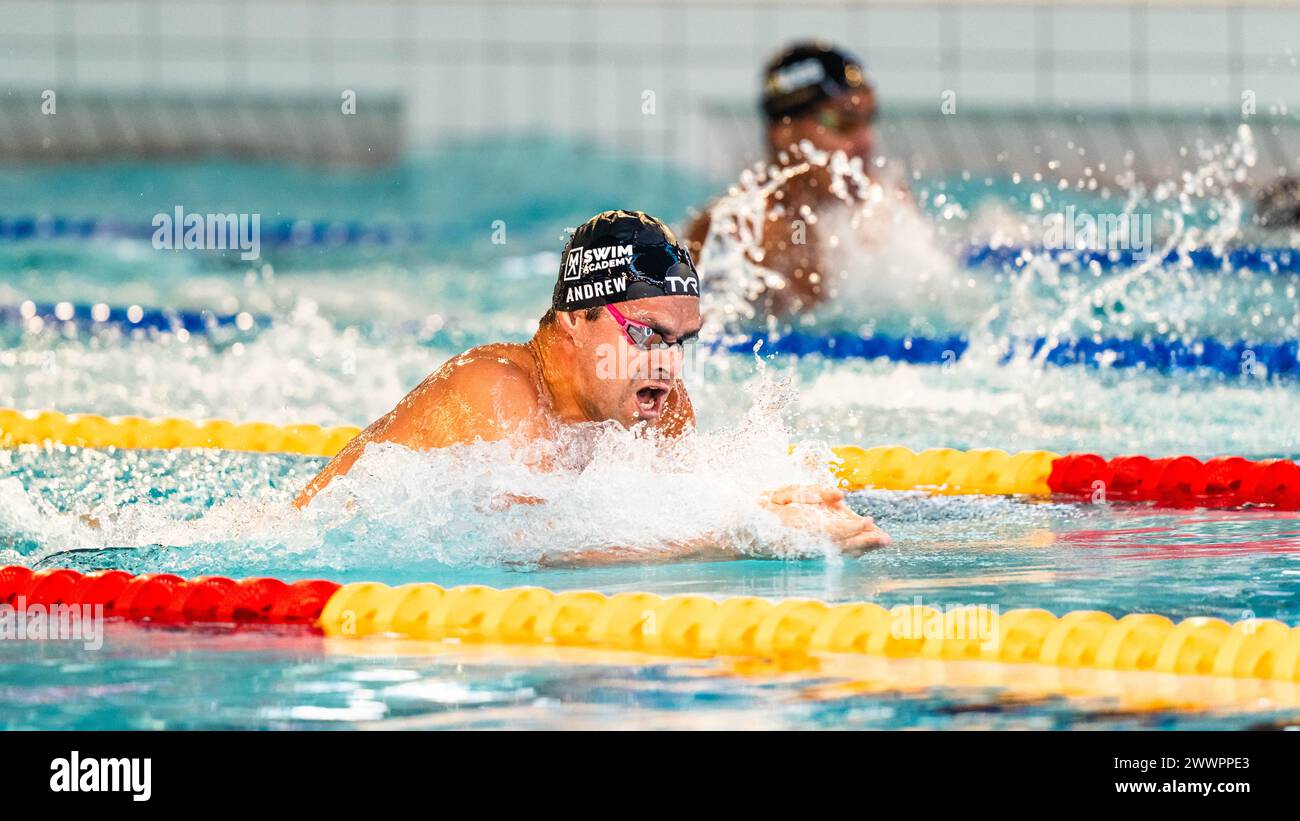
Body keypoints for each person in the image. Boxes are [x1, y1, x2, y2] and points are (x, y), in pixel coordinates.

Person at [295, 210, 889, 562]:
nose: (669, 367)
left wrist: (761, 509)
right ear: (577, 319)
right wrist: (740, 536)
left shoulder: (661, 402)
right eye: (648, 334)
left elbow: (661, 510)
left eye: (682, 342)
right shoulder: (495, 390)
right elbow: (526, 544)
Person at [685, 41, 916, 318]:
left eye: (868, 120)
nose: (865, 141)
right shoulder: (736, 231)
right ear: (784, 132)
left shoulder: (887, 203)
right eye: (844, 122)